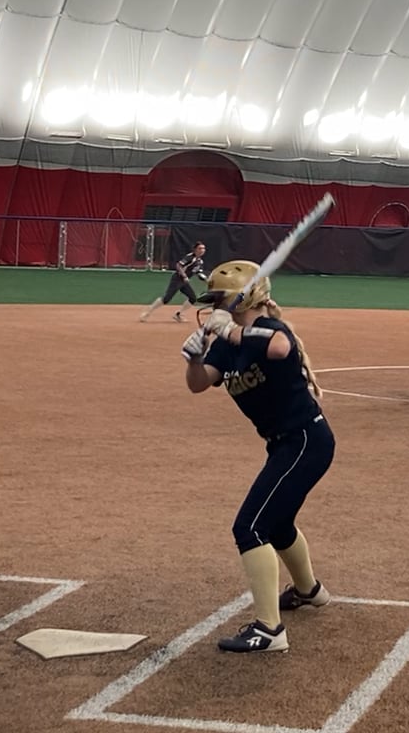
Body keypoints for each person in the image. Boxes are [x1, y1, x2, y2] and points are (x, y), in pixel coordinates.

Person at [180, 261, 334, 654]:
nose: (214, 307)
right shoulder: (228, 345)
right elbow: (200, 384)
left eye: (220, 300)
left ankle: (269, 630)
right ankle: (309, 591)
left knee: (249, 528)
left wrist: (231, 331)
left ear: (242, 298)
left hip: (305, 440)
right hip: (285, 445)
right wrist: (194, 359)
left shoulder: (269, 330)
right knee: (277, 525)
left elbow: (279, 347)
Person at [141, 242, 209, 323]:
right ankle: (147, 312)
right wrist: (184, 276)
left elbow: (199, 273)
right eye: (200, 248)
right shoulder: (190, 257)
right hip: (177, 279)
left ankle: (178, 315)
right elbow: (178, 265)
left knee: (193, 298)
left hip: (184, 282)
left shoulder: (200, 261)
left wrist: (207, 280)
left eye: (203, 248)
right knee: (166, 299)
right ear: (195, 249)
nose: (202, 250)